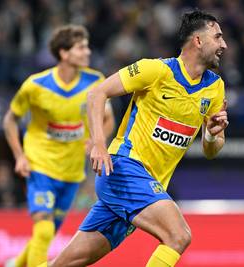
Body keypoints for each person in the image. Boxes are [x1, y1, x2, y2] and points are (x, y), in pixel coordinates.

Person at [40, 9, 228, 267]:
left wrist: (211, 134)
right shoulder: (155, 71)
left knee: (65, 263)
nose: (224, 44)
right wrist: (98, 144)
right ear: (198, 40)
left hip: (146, 187)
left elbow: (212, 150)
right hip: (123, 168)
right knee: (178, 235)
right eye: (217, 37)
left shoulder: (215, 87)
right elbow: (97, 94)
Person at [3, 24, 115, 267]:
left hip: (72, 171)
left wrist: (97, 141)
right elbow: (10, 120)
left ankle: (15, 264)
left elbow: (109, 120)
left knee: (47, 233)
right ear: (64, 53)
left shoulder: (96, 82)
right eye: (81, 47)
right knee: (43, 230)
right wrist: (20, 156)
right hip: (40, 165)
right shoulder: (36, 84)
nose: (88, 52)